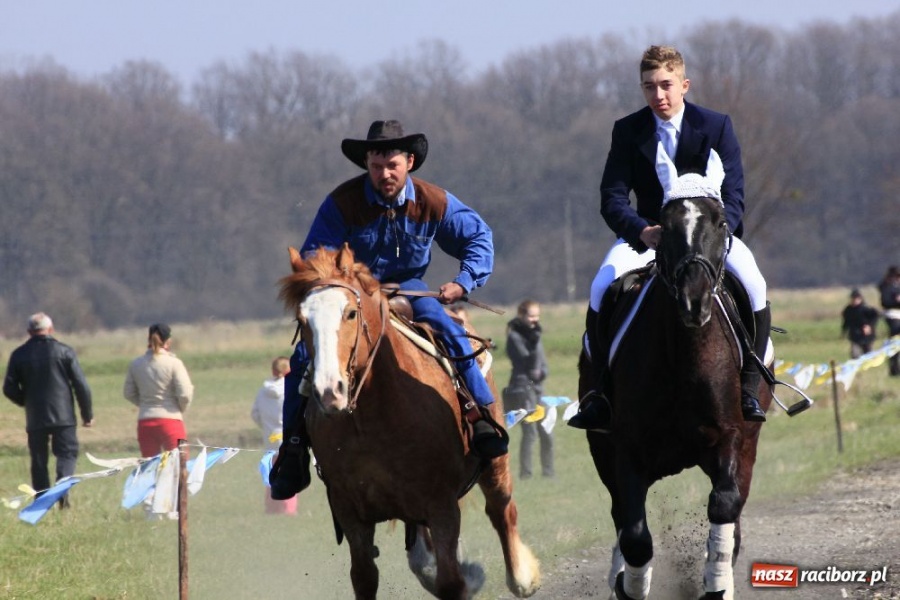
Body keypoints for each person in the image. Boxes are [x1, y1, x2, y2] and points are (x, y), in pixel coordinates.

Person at [270, 119, 508, 501]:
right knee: (301, 355)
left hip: (411, 291)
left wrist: (463, 281)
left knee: (452, 335)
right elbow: (316, 253)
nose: (384, 173)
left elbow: (478, 237)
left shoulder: (433, 201)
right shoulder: (341, 203)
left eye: (392, 165)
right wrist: (332, 280)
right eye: (376, 166)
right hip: (354, 296)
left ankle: (481, 418)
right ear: (367, 163)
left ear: (409, 162)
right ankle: (293, 450)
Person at [570, 45, 769, 430]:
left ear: (684, 84)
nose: (657, 95)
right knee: (599, 288)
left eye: (665, 85)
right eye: (649, 87)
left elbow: (735, 195)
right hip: (651, 236)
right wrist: (642, 231)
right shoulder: (628, 131)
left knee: (755, 285)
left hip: (707, 237)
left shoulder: (716, 126)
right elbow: (612, 197)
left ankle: (750, 385)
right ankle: (600, 394)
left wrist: (709, 235)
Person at [3, 312, 93, 509]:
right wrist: (87, 415)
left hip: (35, 417)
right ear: (51, 330)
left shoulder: (19, 354)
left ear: (29, 332)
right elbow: (81, 385)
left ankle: (42, 501)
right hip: (64, 416)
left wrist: (26, 401)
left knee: (38, 460)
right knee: (67, 454)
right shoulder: (65, 351)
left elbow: (8, 388)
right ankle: (62, 490)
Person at [123, 323, 194, 458]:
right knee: (181, 464)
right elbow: (185, 394)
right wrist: (180, 408)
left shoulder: (136, 364)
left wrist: (145, 404)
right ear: (168, 341)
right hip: (172, 421)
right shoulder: (175, 363)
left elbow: (128, 393)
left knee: (150, 469)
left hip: (145, 423)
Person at [505, 300, 553, 479]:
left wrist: (543, 372)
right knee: (530, 433)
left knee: (546, 432)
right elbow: (528, 362)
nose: (535, 319)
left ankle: (548, 473)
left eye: (537, 316)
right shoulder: (515, 336)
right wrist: (533, 346)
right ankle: (526, 474)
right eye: (531, 316)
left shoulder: (534, 334)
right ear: (521, 315)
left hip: (538, 388)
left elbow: (541, 362)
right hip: (523, 388)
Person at [251, 356, 297, 515]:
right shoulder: (291, 389)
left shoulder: (263, 390)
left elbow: (255, 413)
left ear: (273, 371)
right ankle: (288, 509)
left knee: (271, 473)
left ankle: (271, 508)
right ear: (289, 371)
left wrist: (267, 428)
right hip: (287, 437)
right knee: (288, 473)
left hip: (270, 438)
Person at [841, 289, 880, 359]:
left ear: (860, 299)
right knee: (854, 354)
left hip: (867, 336)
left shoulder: (866, 308)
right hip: (854, 335)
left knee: (868, 354)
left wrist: (869, 326)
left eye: (857, 299)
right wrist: (843, 331)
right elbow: (846, 321)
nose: (855, 300)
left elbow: (875, 316)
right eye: (853, 298)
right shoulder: (848, 310)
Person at [879, 265, 900, 376]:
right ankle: (894, 369)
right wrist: (896, 301)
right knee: (895, 342)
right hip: (892, 316)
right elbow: (885, 302)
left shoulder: (896, 286)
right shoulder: (887, 287)